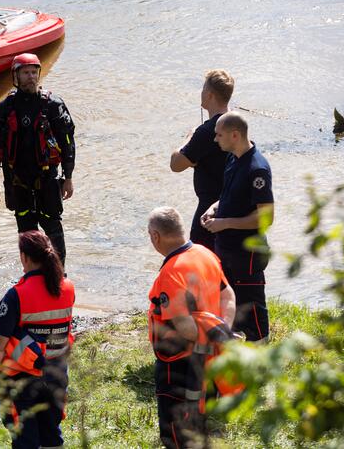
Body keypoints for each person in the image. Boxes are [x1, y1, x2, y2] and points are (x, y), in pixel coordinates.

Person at [146, 207, 237, 449]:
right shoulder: (204, 254)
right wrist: (221, 332)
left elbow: (185, 326)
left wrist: (212, 335)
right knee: (199, 421)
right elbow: (228, 294)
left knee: (174, 432)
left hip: (179, 363)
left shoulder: (172, 272)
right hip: (208, 359)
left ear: (155, 236)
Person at [0, 230, 75, 449]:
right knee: (51, 435)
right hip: (56, 376)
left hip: (21, 380)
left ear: (24, 257)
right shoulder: (67, 288)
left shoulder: (17, 295)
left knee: (25, 439)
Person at [0, 53, 76, 264]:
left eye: (34, 72)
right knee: (26, 232)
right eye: (25, 73)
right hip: (17, 180)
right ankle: (31, 274)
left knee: (53, 227)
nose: (30, 77)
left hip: (47, 179)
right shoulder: (5, 108)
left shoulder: (53, 105)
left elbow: (67, 143)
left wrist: (68, 176)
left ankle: (59, 274)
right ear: (16, 76)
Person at [201, 112, 274, 342]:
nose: (215, 139)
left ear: (235, 135)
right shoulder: (233, 158)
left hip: (247, 250)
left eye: (219, 135)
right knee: (231, 297)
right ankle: (238, 342)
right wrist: (214, 208)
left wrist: (225, 223)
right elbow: (231, 195)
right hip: (227, 246)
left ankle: (260, 346)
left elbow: (266, 217)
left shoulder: (257, 168)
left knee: (250, 301)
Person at [169, 69, 235, 251]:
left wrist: (189, 138)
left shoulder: (207, 132)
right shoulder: (236, 124)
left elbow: (176, 164)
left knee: (202, 269)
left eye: (203, 88)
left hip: (209, 213)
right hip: (234, 208)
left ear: (209, 94)